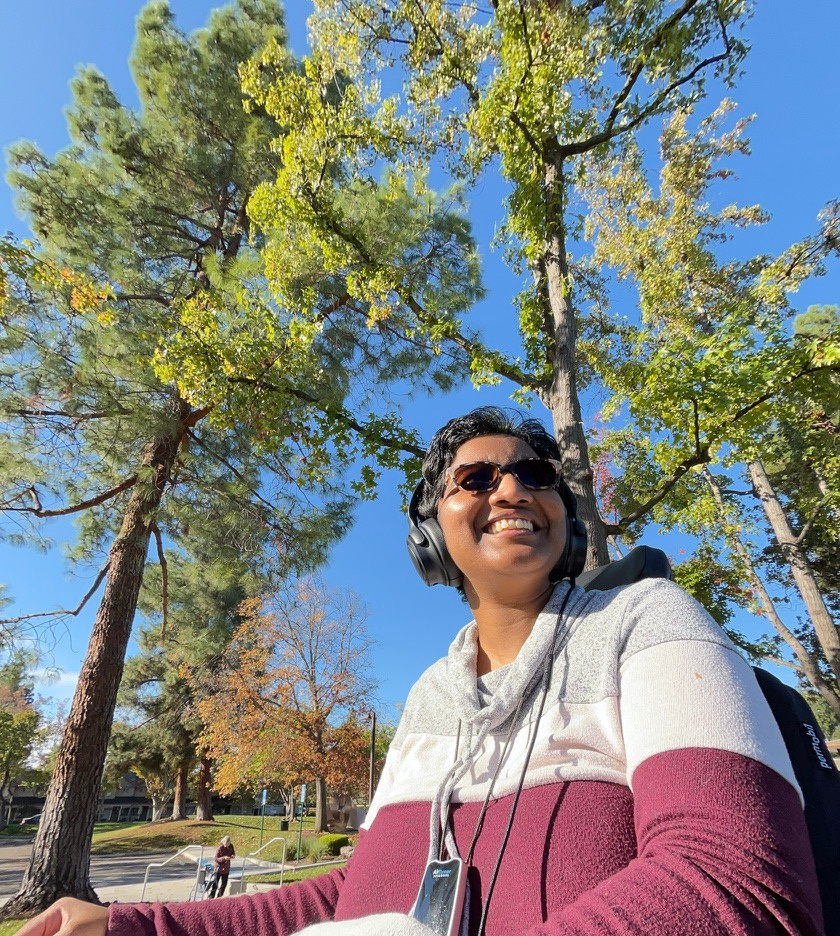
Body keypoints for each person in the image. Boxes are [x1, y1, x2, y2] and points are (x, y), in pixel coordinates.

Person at [15, 406, 825, 936]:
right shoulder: (428, 697)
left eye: (536, 475)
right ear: (432, 534)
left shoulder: (650, 621)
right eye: (477, 478)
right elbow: (356, 893)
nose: (513, 487)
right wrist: (135, 925)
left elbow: (739, 883)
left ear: (565, 516)